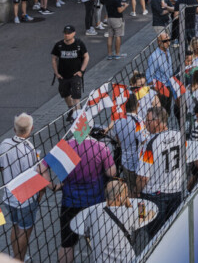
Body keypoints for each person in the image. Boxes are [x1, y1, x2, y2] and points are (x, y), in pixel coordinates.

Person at [59, 116, 117, 263]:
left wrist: (54, 187)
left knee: (67, 244)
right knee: (96, 239)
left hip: (70, 202)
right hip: (94, 202)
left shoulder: (65, 147)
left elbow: (46, 169)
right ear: (90, 129)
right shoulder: (100, 147)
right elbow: (112, 173)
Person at [69, 180, 149, 263]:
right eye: (125, 194)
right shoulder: (127, 213)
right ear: (119, 197)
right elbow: (142, 219)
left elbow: (87, 232)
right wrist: (140, 205)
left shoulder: (92, 213)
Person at [0, 113, 41, 262]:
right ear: (31, 129)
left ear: (14, 129)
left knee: (15, 226)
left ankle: (16, 256)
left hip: (9, 197)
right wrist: (38, 198)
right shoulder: (29, 149)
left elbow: (2, 169)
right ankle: (19, 259)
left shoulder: (4, 144)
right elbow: (35, 178)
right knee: (25, 230)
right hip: (25, 199)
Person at [137, 105, 185, 239]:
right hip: (176, 192)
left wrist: (136, 191)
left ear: (158, 122)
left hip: (154, 197)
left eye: (148, 120)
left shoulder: (149, 144)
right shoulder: (179, 135)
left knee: (155, 236)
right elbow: (185, 158)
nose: (145, 123)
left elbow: (143, 178)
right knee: (174, 233)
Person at [51, 26, 90, 110]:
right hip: (63, 75)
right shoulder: (59, 45)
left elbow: (86, 56)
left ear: (74, 33)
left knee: (76, 95)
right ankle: (71, 109)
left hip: (75, 75)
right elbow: (54, 59)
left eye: (69, 33)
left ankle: (77, 114)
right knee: (65, 94)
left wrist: (81, 71)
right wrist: (57, 73)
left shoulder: (79, 44)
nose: (66, 35)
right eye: (65, 33)